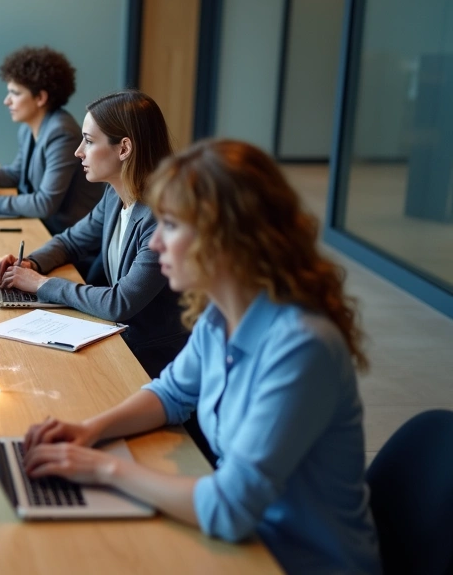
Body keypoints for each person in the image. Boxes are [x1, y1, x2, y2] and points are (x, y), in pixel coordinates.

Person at [19, 139, 380, 574]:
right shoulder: (221, 314)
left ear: (226, 237)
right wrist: (90, 430)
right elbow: (171, 394)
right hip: (245, 539)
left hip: (293, 559)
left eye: (170, 225)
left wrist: (104, 469)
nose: (154, 243)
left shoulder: (302, 347)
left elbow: (229, 508)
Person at [0, 90, 187, 378]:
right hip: (120, 338)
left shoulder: (162, 217)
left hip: (152, 358)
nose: (79, 152)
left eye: (89, 141)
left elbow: (119, 303)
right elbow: (71, 241)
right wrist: (32, 263)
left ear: (124, 148)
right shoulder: (114, 195)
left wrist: (40, 283)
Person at [0, 46, 103, 233]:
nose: (7, 101)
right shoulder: (29, 128)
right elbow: (17, 173)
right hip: (40, 225)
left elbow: (45, 203)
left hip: (62, 234)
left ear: (40, 97)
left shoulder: (61, 133)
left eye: (15, 93)